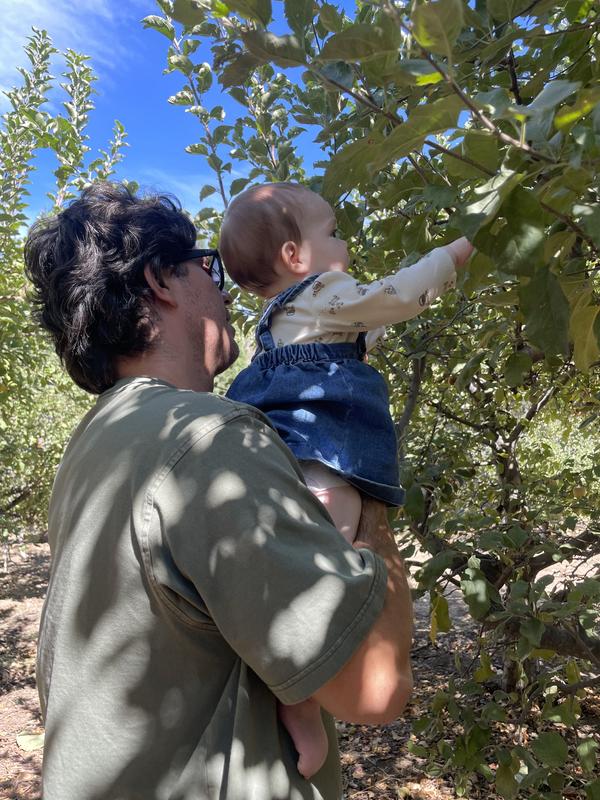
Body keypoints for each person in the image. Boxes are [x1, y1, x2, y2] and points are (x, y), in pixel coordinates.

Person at [25, 181, 414, 800]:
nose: (225, 288)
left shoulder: (96, 443)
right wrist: (370, 489)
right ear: (161, 280)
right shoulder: (211, 440)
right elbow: (373, 686)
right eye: (208, 267)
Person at [221, 182, 472, 778]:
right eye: (331, 231)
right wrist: (462, 248)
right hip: (324, 459)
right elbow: (394, 297)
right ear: (294, 257)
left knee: (312, 567)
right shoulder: (324, 293)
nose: (344, 241)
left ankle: (297, 689)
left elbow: (361, 327)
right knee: (335, 564)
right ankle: (299, 685)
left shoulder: (284, 319)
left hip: (293, 458)